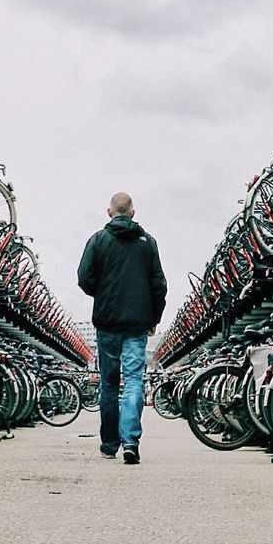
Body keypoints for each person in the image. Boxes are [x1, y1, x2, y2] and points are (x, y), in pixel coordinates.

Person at [77, 191, 168, 465]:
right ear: (133, 213)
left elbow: (84, 278)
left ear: (109, 213)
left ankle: (108, 444)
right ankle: (130, 442)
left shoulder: (98, 240)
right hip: (137, 324)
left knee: (108, 384)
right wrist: (154, 317)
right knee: (134, 381)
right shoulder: (147, 243)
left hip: (107, 322)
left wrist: (102, 293)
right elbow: (159, 285)